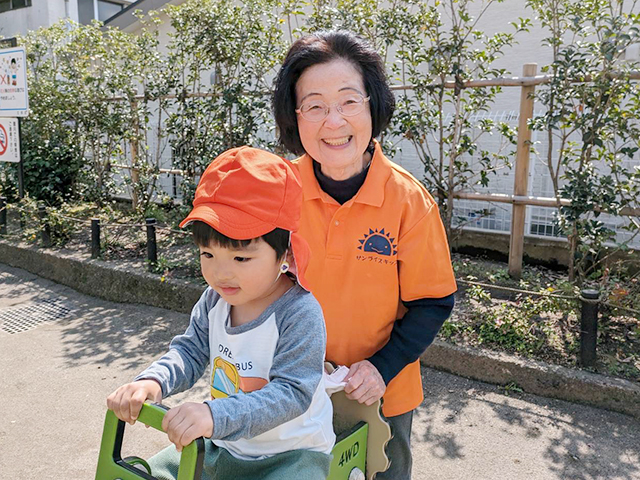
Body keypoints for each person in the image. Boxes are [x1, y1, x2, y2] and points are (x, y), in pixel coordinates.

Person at [273, 30, 457, 480]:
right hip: (296, 387)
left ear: (373, 105)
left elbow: (433, 301)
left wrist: (380, 369)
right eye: (314, 105)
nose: (333, 121)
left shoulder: (408, 200)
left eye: (349, 101)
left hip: (381, 394)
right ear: (295, 118)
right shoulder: (279, 189)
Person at [106, 146, 335, 480]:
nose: (221, 273)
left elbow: (291, 393)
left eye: (241, 258)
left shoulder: (299, 313)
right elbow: (190, 350)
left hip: (292, 453)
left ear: (284, 253)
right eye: (207, 254)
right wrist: (153, 381)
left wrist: (214, 415)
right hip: (224, 442)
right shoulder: (214, 301)